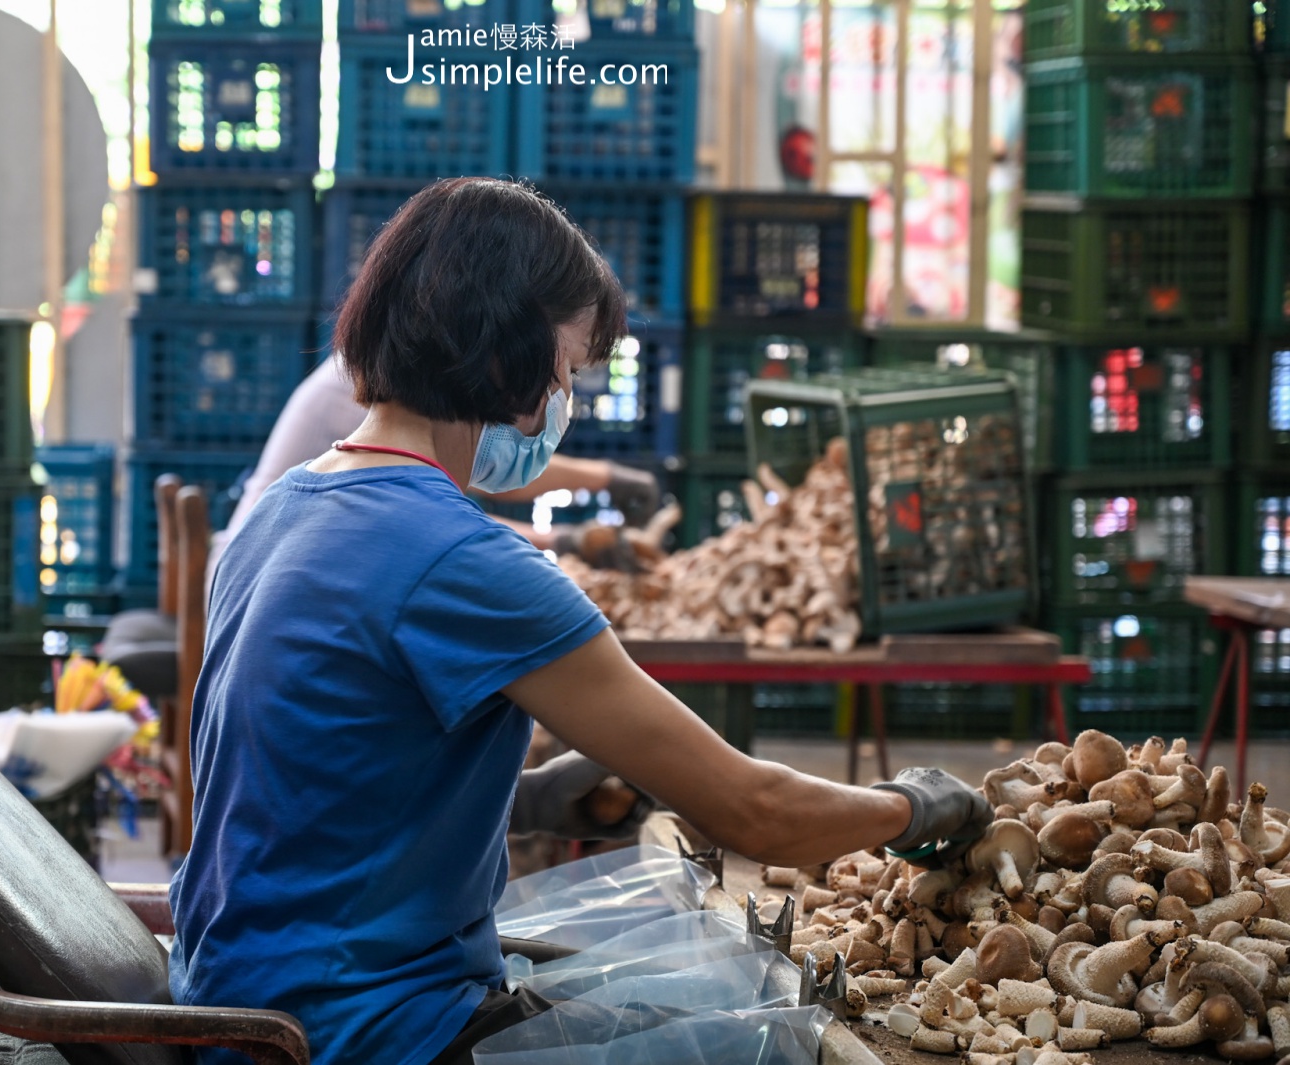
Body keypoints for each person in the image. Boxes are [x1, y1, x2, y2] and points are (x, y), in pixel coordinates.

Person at [169, 178, 991, 1065]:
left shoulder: (282, 509)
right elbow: (756, 814)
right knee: (781, 1042)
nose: (562, 400)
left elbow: (306, 789)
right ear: (501, 354)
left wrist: (522, 797)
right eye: (563, 369)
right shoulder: (462, 560)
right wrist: (913, 807)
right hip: (357, 1034)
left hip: (233, 1002)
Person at [208, 354, 664, 581]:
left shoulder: (389, 372)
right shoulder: (375, 390)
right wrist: (561, 539)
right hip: (264, 581)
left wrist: (605, 479)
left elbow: (483, 470)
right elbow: (431, 518)